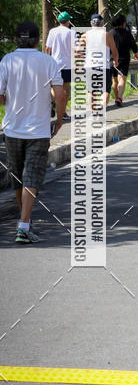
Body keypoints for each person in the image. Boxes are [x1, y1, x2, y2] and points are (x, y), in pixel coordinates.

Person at [0, 22, 66, 243]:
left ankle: (24, 222)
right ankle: (24, 225)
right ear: (38, 40)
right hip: (38, 130)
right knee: (31, 177)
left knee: (18, 177)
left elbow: (0, 96)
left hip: (12, 128)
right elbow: (60, 94)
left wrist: (9, 100)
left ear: (16, 39)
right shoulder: (48, 62)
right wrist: (59, 119)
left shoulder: (7, 61)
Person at [77, 14, 119, 107]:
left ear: (91, 24)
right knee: (105, 90)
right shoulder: (107, 35)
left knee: (91, 91)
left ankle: (93, 112)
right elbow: (114, 51)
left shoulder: (84, 35)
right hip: (103, 66)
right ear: (102, 23)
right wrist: (116, 61)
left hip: (89, 66)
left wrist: (84, 59)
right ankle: (101, 106)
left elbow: (77, 51)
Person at [44, 11, 74, 117]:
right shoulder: (71, 33)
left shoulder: (53, 31)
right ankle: (62, 112)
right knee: (65, 90)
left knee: (54, 87)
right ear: (68, 21)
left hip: (54, 64)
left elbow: (48, 48)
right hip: (67, 65)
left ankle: (50, 103)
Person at [110, 14, 138, 107]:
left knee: (115, 81)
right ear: (123, 23)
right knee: (122, 79)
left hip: (112, 59)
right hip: (124, 59)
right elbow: (133, 44)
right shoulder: (127, 33)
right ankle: (120, 98)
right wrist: (135, 52)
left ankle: (116, 98)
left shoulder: (110, 33)